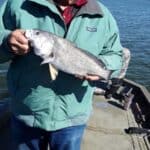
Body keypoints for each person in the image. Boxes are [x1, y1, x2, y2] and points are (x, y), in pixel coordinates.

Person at [0, 0, 123, 149]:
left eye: (37, 34)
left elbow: (115, 54)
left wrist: (103, 68)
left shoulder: (102, 15)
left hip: (73, 117)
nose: (33, 34)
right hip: (26, 111)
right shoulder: (17, 4)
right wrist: (7, 42)